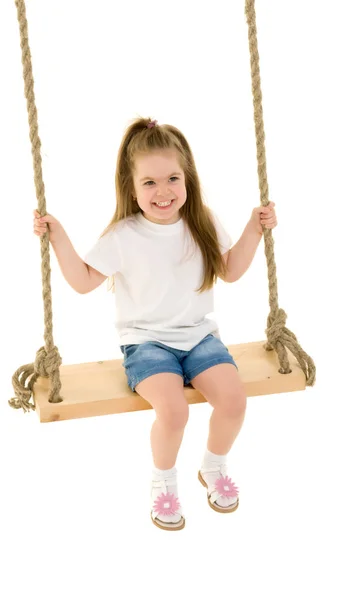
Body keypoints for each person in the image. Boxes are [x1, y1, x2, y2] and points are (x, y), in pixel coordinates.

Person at [33, 117, 278, 531]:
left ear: (187, 179)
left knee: (234, 401)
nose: (163, 191)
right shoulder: (123, 235)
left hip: (199, 336)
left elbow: (231, 269)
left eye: (172, 178)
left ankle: (213, 467)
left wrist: (255, 228)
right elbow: (82, 281)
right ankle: (163, 482)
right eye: (149, 183)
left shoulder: (201, 220)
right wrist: (56, 237)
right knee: (174, 410)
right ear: (131, 189)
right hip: (145, 343)